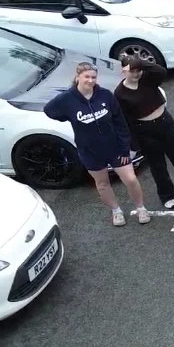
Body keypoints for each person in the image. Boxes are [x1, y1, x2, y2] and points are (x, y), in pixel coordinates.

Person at [45, 63, 148, 226]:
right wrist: (66, 115)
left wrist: (124, 148)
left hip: (114, 148)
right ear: (78, 76)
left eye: (93, 77)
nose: (91, 80)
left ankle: (141, 208)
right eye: (87, 77)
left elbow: (120, 122)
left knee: (130, 179)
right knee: (102, 183)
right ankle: (116, 211)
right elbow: (49, 110)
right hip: (90, 151)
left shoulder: (105, 95)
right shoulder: (68, 98)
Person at [113, 55, 174, 210]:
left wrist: (140, 63)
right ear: (123, 71)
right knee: (158, 166)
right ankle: (167, 196)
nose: (136, 74)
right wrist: (133, 143)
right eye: (132, 71)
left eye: (138, 70)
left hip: (165, 123)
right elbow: (125, 120)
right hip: (145, 130)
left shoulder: (148, 78)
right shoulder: (120, 93)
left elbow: (161, 71)